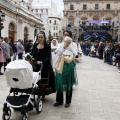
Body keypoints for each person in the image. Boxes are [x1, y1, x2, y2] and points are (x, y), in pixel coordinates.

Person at [54, 30, 78, 108]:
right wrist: (64, 47)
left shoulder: (73, 44)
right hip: (61, 64)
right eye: (64, 35)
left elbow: (75, 53)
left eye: (67, 35)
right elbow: (58, 53)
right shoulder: (61, 44)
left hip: (69, 65)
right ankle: (59, 100)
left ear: (70, 36)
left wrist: (69, 46)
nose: (66, 36)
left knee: (69, 83)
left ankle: (68, 101)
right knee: (59, 82)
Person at [30, 31, 55, 100]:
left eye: (41, 37)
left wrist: (42, 61)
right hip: (36, 66)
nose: (40, 38)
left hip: (44, 66)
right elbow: (32, 54)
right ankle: (37, 92)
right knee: (36, 80)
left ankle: (43, 93)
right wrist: (31, 59)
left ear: (44, 38)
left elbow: (48, 56)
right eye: (39, 37)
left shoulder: (47, 46)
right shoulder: (35, 45)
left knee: (43, 81)